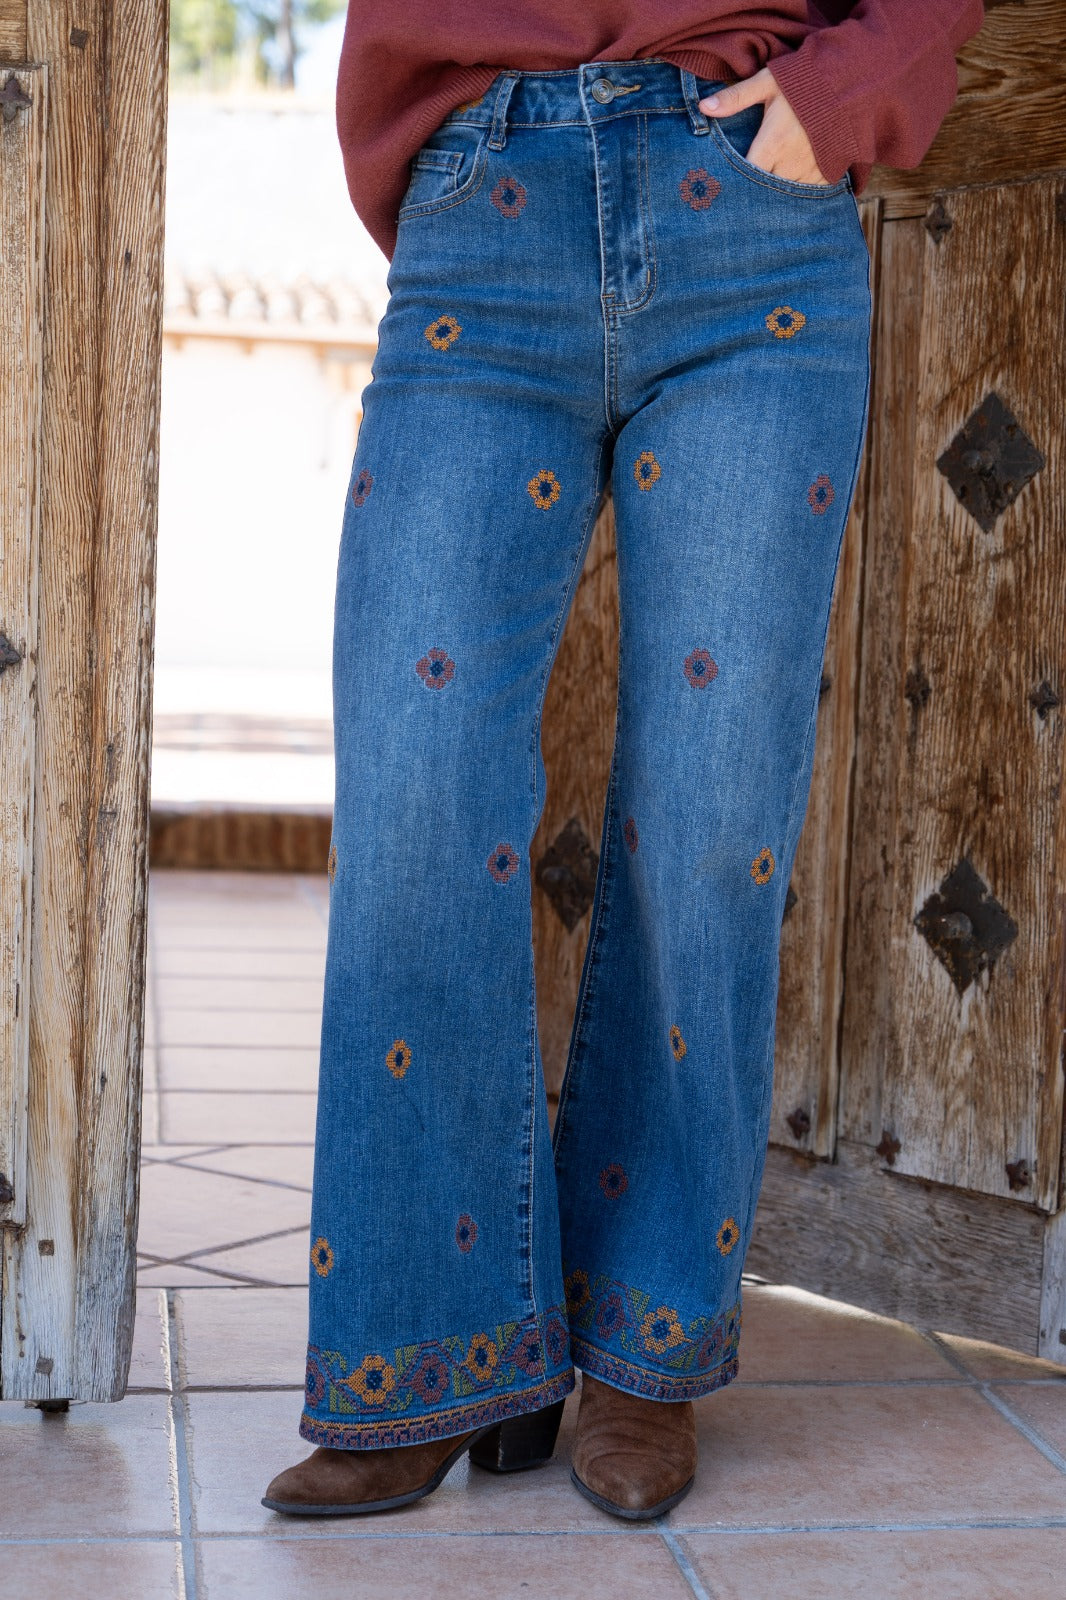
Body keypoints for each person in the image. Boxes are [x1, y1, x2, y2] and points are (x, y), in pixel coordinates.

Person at [264, 0, 986, 1522]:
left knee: (712, 817)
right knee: (413, 799)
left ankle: (642, 1354)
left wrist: (847, 88)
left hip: (749, 224)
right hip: (484, 208)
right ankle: (436, 1357)